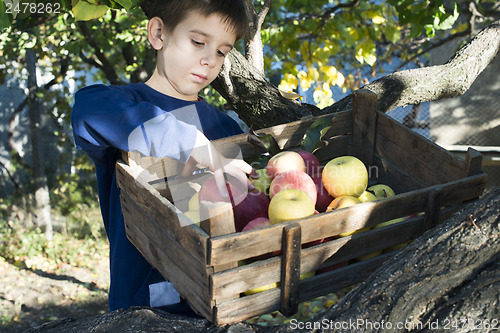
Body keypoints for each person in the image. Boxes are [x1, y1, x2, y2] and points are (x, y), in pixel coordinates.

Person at [71, 0, 255, 316]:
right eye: (198, 42)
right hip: (141, 304)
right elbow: (87, 114)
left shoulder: (224, 127)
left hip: (217, 302)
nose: (210, 60)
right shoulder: (123, 105)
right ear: (158, 33)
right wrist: (191, 142)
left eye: (223, 51)